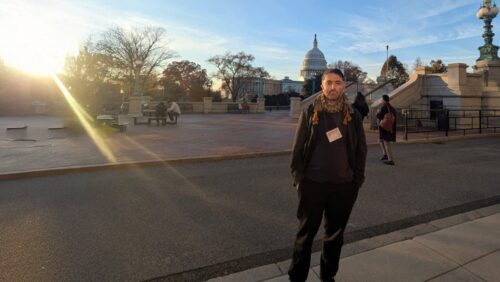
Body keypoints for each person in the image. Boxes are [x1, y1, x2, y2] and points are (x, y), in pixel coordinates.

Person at [289, 68, 367, 282]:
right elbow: (298, 148)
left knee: (334, 236)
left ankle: (328, 275)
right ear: (322, 85)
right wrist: (299, 178)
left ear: (344, 85)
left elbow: (361, 150)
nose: (333, 87)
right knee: (305, 235)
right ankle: (297, 277)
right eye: (329, 82)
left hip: (344, 186)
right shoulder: (310, 111)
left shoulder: (353, 115)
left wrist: (356, 180)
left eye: (338, 83)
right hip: (313, 184)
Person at [376, 94, 397, 165]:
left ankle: (390, 159)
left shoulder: (384, 107)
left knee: (386, 143)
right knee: (380, 140)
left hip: (385, 128)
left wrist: (377, 113)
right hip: (390, 127)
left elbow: (379, 116)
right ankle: (385, 154)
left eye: (382, 100)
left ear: (384, 100)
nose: (381, 101)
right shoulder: (392, 108)